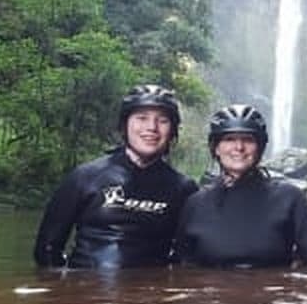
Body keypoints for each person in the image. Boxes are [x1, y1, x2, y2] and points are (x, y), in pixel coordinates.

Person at [34, 84, 198, 269]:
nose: (151, 128)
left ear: (172, 131)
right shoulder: (85, 176)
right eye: (141, 118)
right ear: (124, 125)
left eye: (162, 120)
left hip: (149, 293)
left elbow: (185, 257)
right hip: (84, 289)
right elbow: (47, 249)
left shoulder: (184, 189)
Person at [172, 104, 307, 268]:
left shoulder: (289, 198)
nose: (239, 147)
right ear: (215, 148)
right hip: (214, 292)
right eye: (229, 139)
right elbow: (181, 267)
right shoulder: (195, 204)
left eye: (248, 139)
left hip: (271, 292)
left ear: (259, 148)